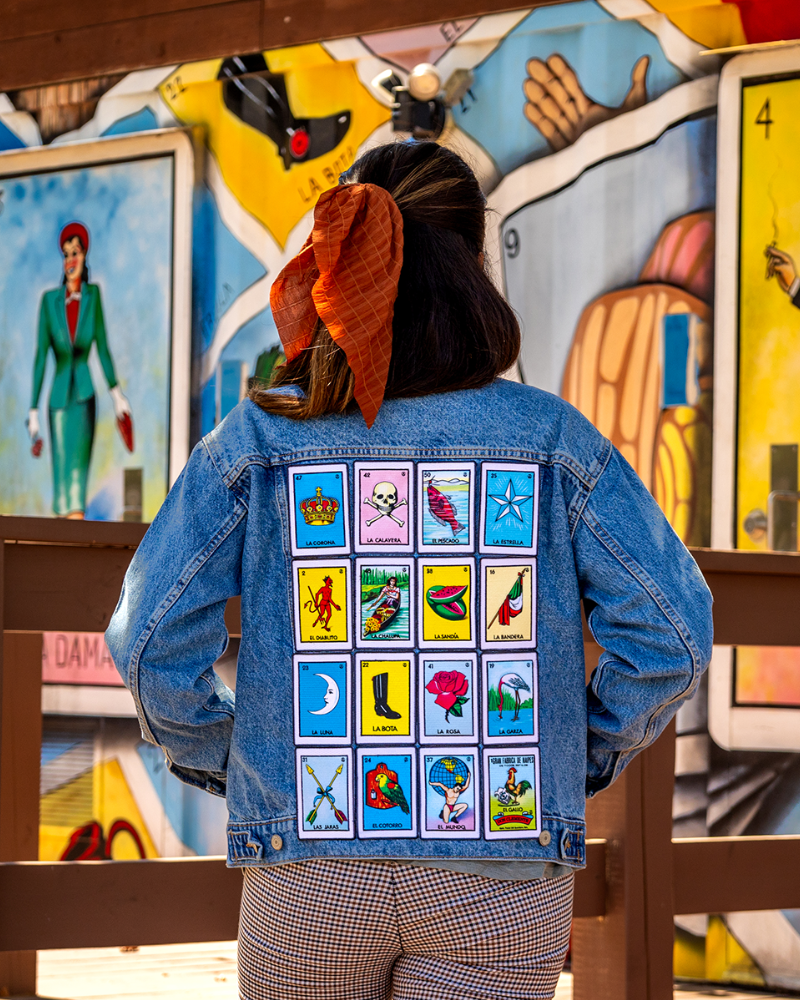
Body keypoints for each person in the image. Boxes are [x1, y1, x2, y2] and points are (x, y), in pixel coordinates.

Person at [106, 140, 713, 1000]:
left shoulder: (260, 441)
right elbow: (673, 636)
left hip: (307, 870)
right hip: (501, 869)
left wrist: (232, 756)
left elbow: (149, 639)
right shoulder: (552, 441)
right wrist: (579, 753)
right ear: (472, 267)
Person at [28, 222, 131, 518]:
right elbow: (39, 357)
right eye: (65, 254)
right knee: (62, 472)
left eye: (75, 252)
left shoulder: (93, 296)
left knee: (78, 475)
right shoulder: (49, 302)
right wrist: (33, 410)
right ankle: (64, 536)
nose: (70, 260)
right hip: (59, 399)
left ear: (84, 255)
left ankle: (75, 529)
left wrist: (117, 396)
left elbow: (103, 347)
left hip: (85, 396)